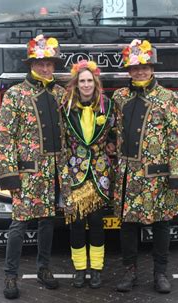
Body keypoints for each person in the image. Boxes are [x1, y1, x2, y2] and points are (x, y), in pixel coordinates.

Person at [112, 39, 178, 294]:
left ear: (152, 68)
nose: (140, 71)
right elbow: (115, 129)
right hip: (127, 174)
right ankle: (130, 272)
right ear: (129, 71)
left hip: (158, 176)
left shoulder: (168, 98)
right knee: (128, 225)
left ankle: (160, 273)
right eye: (135, 67)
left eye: (144, 66)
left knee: (161, 224)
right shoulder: (119, 97)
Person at [0, 35, 66, 300]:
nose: (45, 68)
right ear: (31, 64)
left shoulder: (61, 94)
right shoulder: (15, 94)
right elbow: (4, 137)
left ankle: (43, 269)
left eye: (49, 63)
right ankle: (10, 274)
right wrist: (9, 175)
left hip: (54, 172)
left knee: (48, 222)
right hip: (27, 173)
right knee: (19, 224)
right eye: (40, 63)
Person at [60, 60, 114, 289]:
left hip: (99, 173)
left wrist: (111, 144)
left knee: (97, 222)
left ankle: (97, 269)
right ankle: (80, 269)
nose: (86, 85)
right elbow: (61, 139)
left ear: (96, 82)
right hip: (75, 173)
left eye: (89, 81)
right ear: (76, 83)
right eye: (82, 81)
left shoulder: (107, 106)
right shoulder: (66, 107)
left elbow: (116, 132)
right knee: (77, 223)